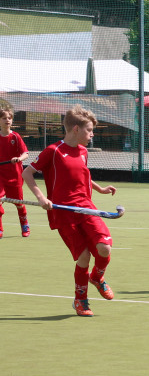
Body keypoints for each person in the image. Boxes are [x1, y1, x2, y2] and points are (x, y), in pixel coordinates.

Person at [21, 106, 117, 317]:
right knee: (83, 256)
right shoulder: (53, 151)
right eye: (89, 130)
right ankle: (80, 299)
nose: (92, 134)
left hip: (86, 207)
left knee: (104, 248)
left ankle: (97, 277)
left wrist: (99, 189)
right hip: (63, 213)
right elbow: (27, 173)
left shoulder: (83, 151)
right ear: (76, 128)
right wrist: (41, 198)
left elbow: (81, 174)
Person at [0, 107, 31, 238]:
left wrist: (18, 159)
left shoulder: (16, 137)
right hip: (0, 177)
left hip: (15, 176)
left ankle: (24, 224)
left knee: (19, 203)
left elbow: (26, 153)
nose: (7, 120)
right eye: (4, 118)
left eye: (9, 118)